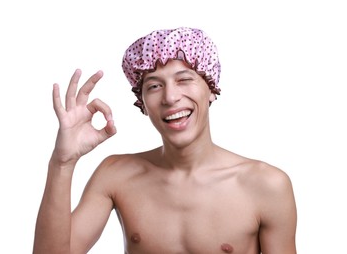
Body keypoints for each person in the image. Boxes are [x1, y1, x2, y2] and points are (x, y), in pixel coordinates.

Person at [33, 27, 297, 254]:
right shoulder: (115, 175)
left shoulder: (266, 185)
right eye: (155, 86)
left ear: (211, 91)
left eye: (184, 79)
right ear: (143, 104)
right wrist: (62, 163)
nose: (171, 97)